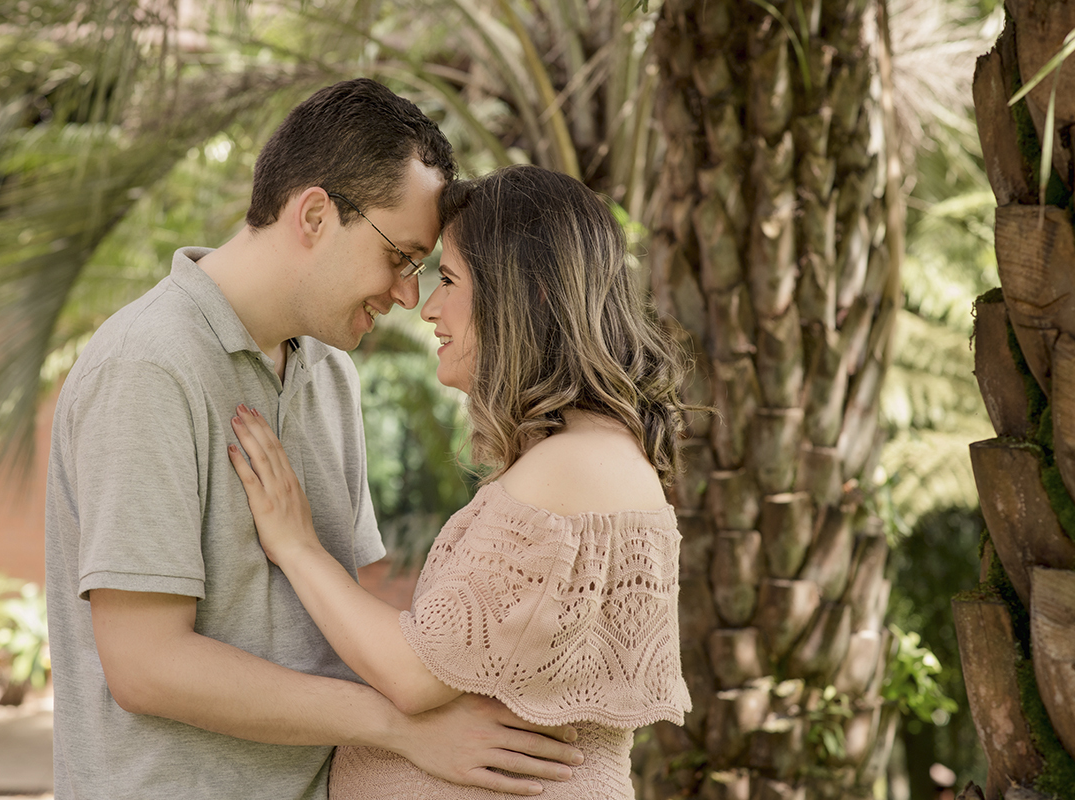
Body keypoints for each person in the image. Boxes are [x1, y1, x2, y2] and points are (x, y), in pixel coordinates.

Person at [45, 81, 584, 800]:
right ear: (315, 215)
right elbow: (147, 666)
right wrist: (397, 726)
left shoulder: (330, 371)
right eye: (400, 256)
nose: (406, 296)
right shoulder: (148, 367)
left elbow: (339, 628)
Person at [228, 164, 695, 798]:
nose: (428, 308)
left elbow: (412, 674)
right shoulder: (581, 457)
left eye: (447, 279)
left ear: (520, 295)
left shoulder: (574, 468)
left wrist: (296, 545)